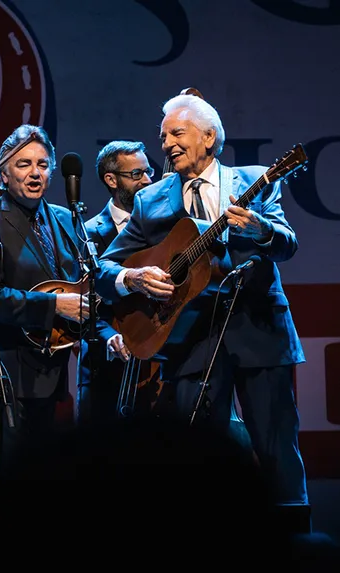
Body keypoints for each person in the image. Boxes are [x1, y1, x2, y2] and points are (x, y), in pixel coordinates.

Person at [96, 93, 307, 504]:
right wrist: (134, 277)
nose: (166, 144)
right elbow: (104, 267)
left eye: (177, 133)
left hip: (258, 329)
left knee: (277, 448)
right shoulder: (150, 199)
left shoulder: (256, 180)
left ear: (209, 137)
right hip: (188, 338)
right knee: (199, 458)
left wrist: (259, 229)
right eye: (162, 137)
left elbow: (287, 244)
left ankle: (297, 547)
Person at [0, 125, 89, 506]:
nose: (35, 173)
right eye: (23, 164)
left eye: (42, 164)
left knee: (44, 483)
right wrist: (55, 306)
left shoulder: (66, 219)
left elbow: (82, 281)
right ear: (3, 173)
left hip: (50, 368)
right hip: (4, 370)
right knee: (9, 482)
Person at [75, 141, 155, 425]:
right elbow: (80, 301)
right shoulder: (86, 234)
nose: (147, 181)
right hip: (106, 370)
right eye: (137, 175)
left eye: (149, 172)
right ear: (111, 180)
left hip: (157, 365)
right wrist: (109, 334)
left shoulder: (165, 226)